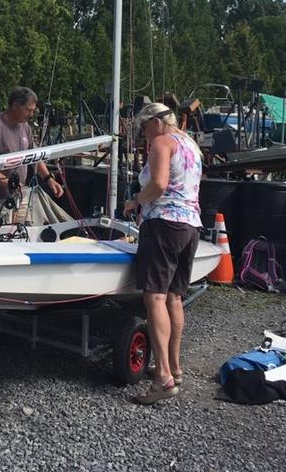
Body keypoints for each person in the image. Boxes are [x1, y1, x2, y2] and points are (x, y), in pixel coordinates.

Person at [123, 102, 202, 404]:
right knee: (174, 297)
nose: (144, 136)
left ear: (156, 122)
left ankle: (163, 379)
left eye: (144, 129)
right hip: (191, 225)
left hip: (164, 224)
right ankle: (175, 367)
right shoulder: (192, 145)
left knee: (154, 297)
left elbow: (158, 184)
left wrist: (135, 201)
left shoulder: (162, 141)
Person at [0, 86, 64, 224]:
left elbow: (34, 156)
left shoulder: (25, 127)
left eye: (33, 111)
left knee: (21, 233)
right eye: (29, 110)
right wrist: (4, 181)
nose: (31, 114)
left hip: (20, 195)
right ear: (15, 105)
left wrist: (48, 179)